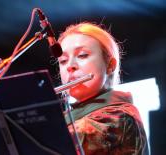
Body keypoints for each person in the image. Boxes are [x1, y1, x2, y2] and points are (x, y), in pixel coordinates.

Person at [57, 22, 149, 155]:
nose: (70, 66)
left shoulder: (120, 116)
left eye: (82, 55)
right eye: (63, 61)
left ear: (110, 65)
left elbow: (60, 143)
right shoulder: (68, 117)